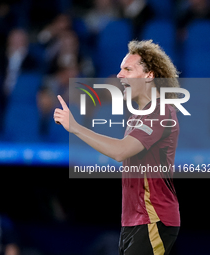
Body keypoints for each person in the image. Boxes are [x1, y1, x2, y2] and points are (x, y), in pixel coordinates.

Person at [54, 40, 180, 254]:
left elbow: (120, 151)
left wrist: (75, 127)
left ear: (149, 75)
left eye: (128, 69)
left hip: (153, 218)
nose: (120, 75)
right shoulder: (136, 115)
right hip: (133, 221)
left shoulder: (160, 111)